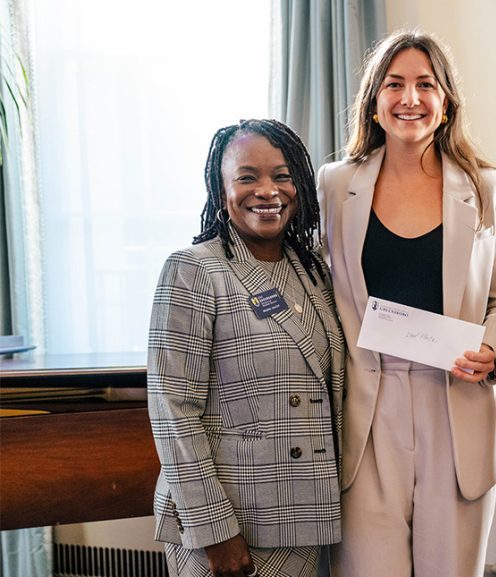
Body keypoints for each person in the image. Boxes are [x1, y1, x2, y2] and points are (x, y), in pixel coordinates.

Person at [317, 30, 496, 577]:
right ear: (374, 102)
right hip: (367, 409)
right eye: (395, 84)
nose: (410, 98)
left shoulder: (486, 188)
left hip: (455, 403)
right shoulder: (334, 186)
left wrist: (492, 350)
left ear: (446, 101)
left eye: (425, 84)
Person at [148, 119, 345, 577]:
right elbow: (172, 410)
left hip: (305, 515)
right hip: (232, 526)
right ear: (221, 192)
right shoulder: (194, 269)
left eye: (281, 175)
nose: (268, 190)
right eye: (247, 177)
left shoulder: (312, 270)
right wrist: (215, 530)